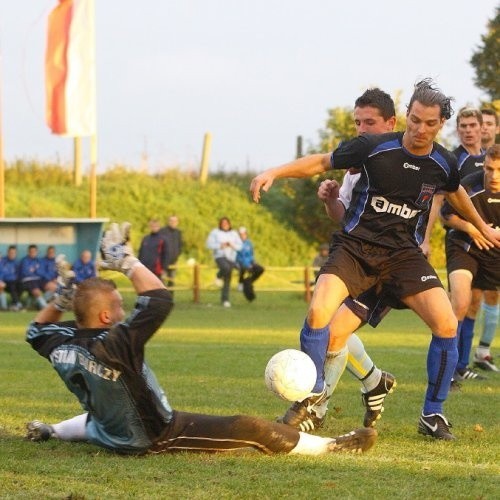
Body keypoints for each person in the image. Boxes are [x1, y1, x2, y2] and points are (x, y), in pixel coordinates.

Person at [250, 78, 500, 440]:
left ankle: (432, 413)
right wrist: (273, 172)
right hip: (355, 249)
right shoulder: (373, 147)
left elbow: (455, 192)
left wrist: (481, 226)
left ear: (440, 124)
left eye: (429, 123)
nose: (420, 129)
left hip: (403, 258)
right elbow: (321, 162)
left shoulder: (442, 162)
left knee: (447, 323)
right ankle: (311, 397)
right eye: (415, 119)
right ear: (406, 116)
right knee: (321, 313)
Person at [24, 222, 377, 457]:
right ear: (104, 317)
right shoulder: (115, 343)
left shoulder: (62, 342)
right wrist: (127, 262)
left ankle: (51, 430)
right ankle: (332, 445)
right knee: (246, 426)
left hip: (104, 427)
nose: (123, 310)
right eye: (117, 307)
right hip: (151, 434)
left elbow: (34, 331)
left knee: (95, 417)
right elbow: (159, 299)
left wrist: (58, 301)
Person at [441, 145, 500, 376]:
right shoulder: (470, 183)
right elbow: (446, 215)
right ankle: (447, 370)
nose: (493, 175)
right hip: (464, 246)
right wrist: (474, 229)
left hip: (492, 252)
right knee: (461, 303)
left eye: (498, 170)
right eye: (489, 169)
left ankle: (462, 366)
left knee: (476, 304)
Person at [206, 217, 243, 308]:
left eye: (226, 223)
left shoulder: (234, 233)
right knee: (225, 268)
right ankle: (218, 277)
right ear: (220, 224)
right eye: (223, 223)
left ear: (229, 224)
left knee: (228, 278)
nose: (224, 225)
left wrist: (232, 245)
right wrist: (220, 246)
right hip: (220, 256)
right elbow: (209, 244)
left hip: (231, 257)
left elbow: (240, 246)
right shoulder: (215, 232)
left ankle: (225, 299)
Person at [236, 227, 264, 302]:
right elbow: (237, 256)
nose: (242, 236)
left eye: (244, 234)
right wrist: (247, 264)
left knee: (260, 269)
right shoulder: (236, 243)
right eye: (241, 234)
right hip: (240, 262)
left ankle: (249, 281)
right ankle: (240, 282)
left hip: (249, 261)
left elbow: (251, 254)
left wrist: (253, 262)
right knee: (243, 268)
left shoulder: (249, 243)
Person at [19, 244, 47, 310]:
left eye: (34, 251)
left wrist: (33, 270)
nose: (33, 253)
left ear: (37, 252)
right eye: (31, 251)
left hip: (38, 279)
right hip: (28, 280)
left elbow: (42, 272)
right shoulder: (24, 260)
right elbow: (25, 273)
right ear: (28, 252)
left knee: (51, 286)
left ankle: (38, 304)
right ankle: (45, 306)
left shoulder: (39, 261)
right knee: (36, 290)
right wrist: (35, 270)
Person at [159, 215, 183, 288]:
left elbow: (180, 246)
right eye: (171, 221)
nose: (173, 223)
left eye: (175, 221)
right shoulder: (162, 231)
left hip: (174, 261)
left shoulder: (178, 232)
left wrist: (177, 258)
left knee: (172, 281)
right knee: (162, 281)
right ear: (168, 221)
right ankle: (162, 298)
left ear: (177, 222)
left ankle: (170, 298)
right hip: (163, 261)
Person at [0, 245, 23, 311]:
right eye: (10, 253)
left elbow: (19, 274)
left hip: (14, 281)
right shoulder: (3, 261)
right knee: (12, 286)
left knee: (21, 285)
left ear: (16, 254)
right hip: (5, 281)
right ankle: (18, 303)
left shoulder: (17, 262)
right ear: (8, 252)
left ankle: (13, 303)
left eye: (13, 253)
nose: (12, 254)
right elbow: (1, 271)